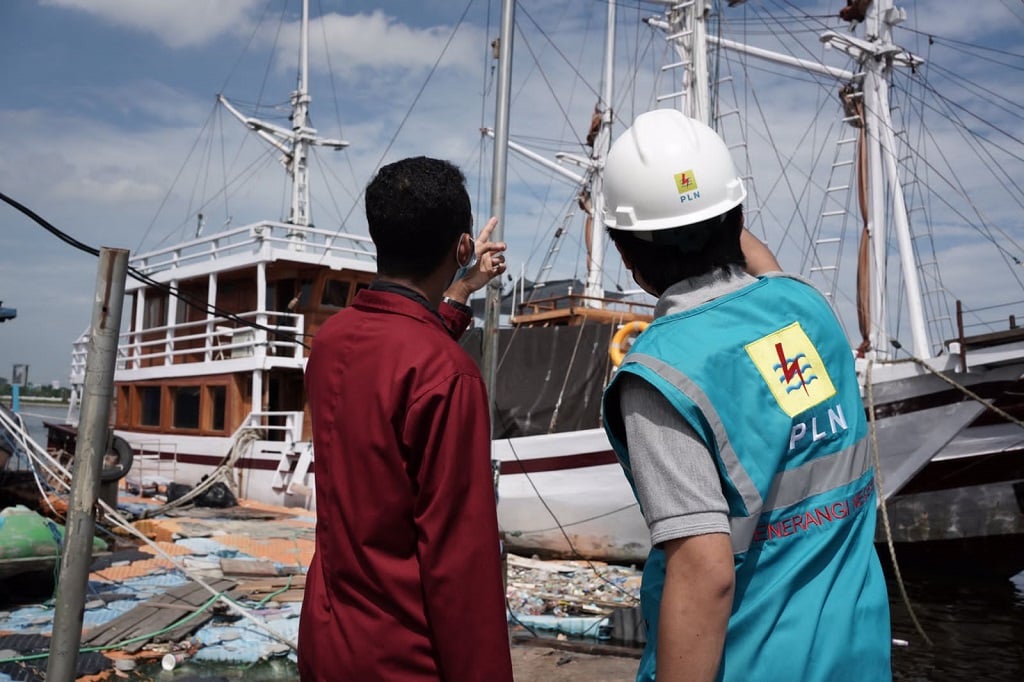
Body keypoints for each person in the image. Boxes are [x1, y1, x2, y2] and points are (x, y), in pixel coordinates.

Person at [600, 109, 892, 682]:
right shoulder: (806, 311)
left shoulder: (661, 376)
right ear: (737, 216)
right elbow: (762, 270)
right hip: (855, 657)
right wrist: (707, 201)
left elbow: (705, 573)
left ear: (628, 259)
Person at [298, 156, 514, 681]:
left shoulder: (330, 341)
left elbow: (397, 348)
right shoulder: (449, 375)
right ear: (462, 247)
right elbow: (459, 563)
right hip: (405, 659)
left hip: (328, 642)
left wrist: (461, 291)